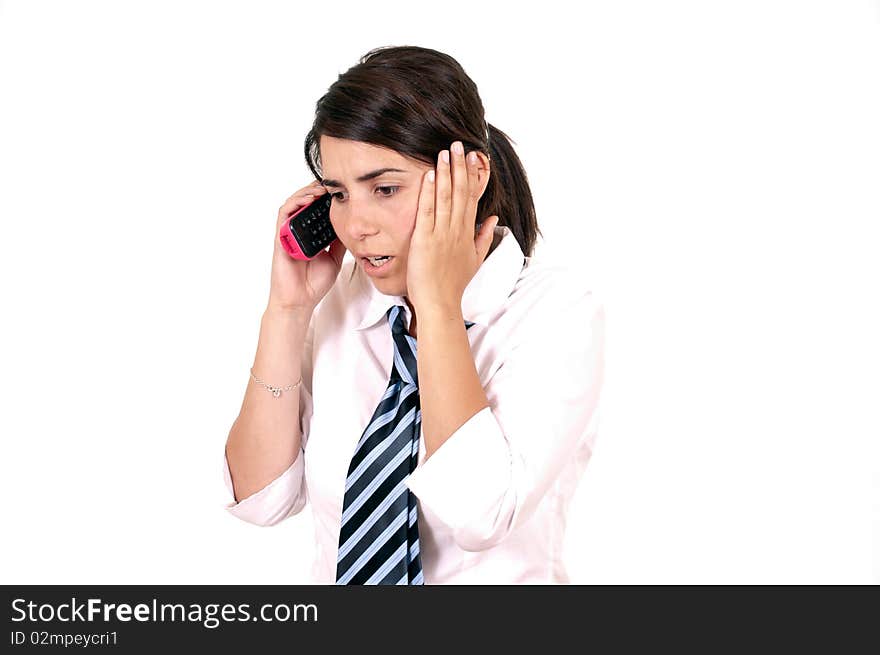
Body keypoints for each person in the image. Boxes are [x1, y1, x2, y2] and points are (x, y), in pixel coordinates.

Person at [222, 45, 605, 584]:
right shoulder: (342, 301)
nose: (356, 226)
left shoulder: (556, 312)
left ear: (470, 175)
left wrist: (438, 306)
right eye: (338, 194)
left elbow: (480, 515)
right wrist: (287, 311)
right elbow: (259, 498)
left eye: (385, 189)